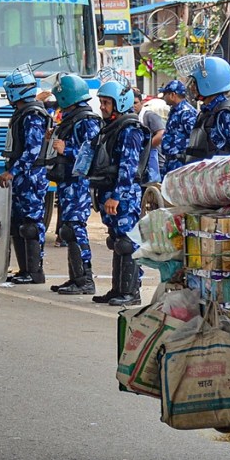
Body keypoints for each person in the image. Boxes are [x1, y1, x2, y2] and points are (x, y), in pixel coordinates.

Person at [86, 78, 145, 306]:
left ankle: (131, 292)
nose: (102, 107)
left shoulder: (130, 129)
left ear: (120, 103)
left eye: (107, 103)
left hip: (124, 195)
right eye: (101, 102)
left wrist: (116, 197)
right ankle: (118, 289)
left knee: (127, 242)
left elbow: (128, 168)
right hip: (109, 191)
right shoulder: (112, 127)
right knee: (117, 240)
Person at [47, 73, 101, 295]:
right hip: (67, 182)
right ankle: (75, 279)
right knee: (68, 229)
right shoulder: (71, 118)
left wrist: (65, 149)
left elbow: (92, 153)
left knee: (75, 229)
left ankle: (85, 280)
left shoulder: (87, 120)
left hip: (77, 183)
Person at [0, 68, 50, 285]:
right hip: (21, 177)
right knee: (18, 223)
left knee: (30, 225)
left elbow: (32, 151)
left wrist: (13, 171)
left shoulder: (33, 115)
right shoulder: (24, 112)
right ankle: (24, 270)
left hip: (31, 177)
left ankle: (35, 272)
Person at [183, 56, 230, 163]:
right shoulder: (205, 113)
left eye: (194, 82)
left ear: (208, 84)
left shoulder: (227, 114)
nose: (191, 87)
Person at [159, 79, 197, 176]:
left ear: (172, 95)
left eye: (165, 94)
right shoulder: (175, 111)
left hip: (181, 163)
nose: (164, 97)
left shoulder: (186, 112)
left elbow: (195, 137)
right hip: (171, 161)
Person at [133, 89, 165, 183]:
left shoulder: (149, 116)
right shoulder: (132, 117)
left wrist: (146, 148)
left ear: (142, 102)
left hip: (156, 164)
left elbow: (161, 134)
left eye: (135, 103)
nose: (133, 106)